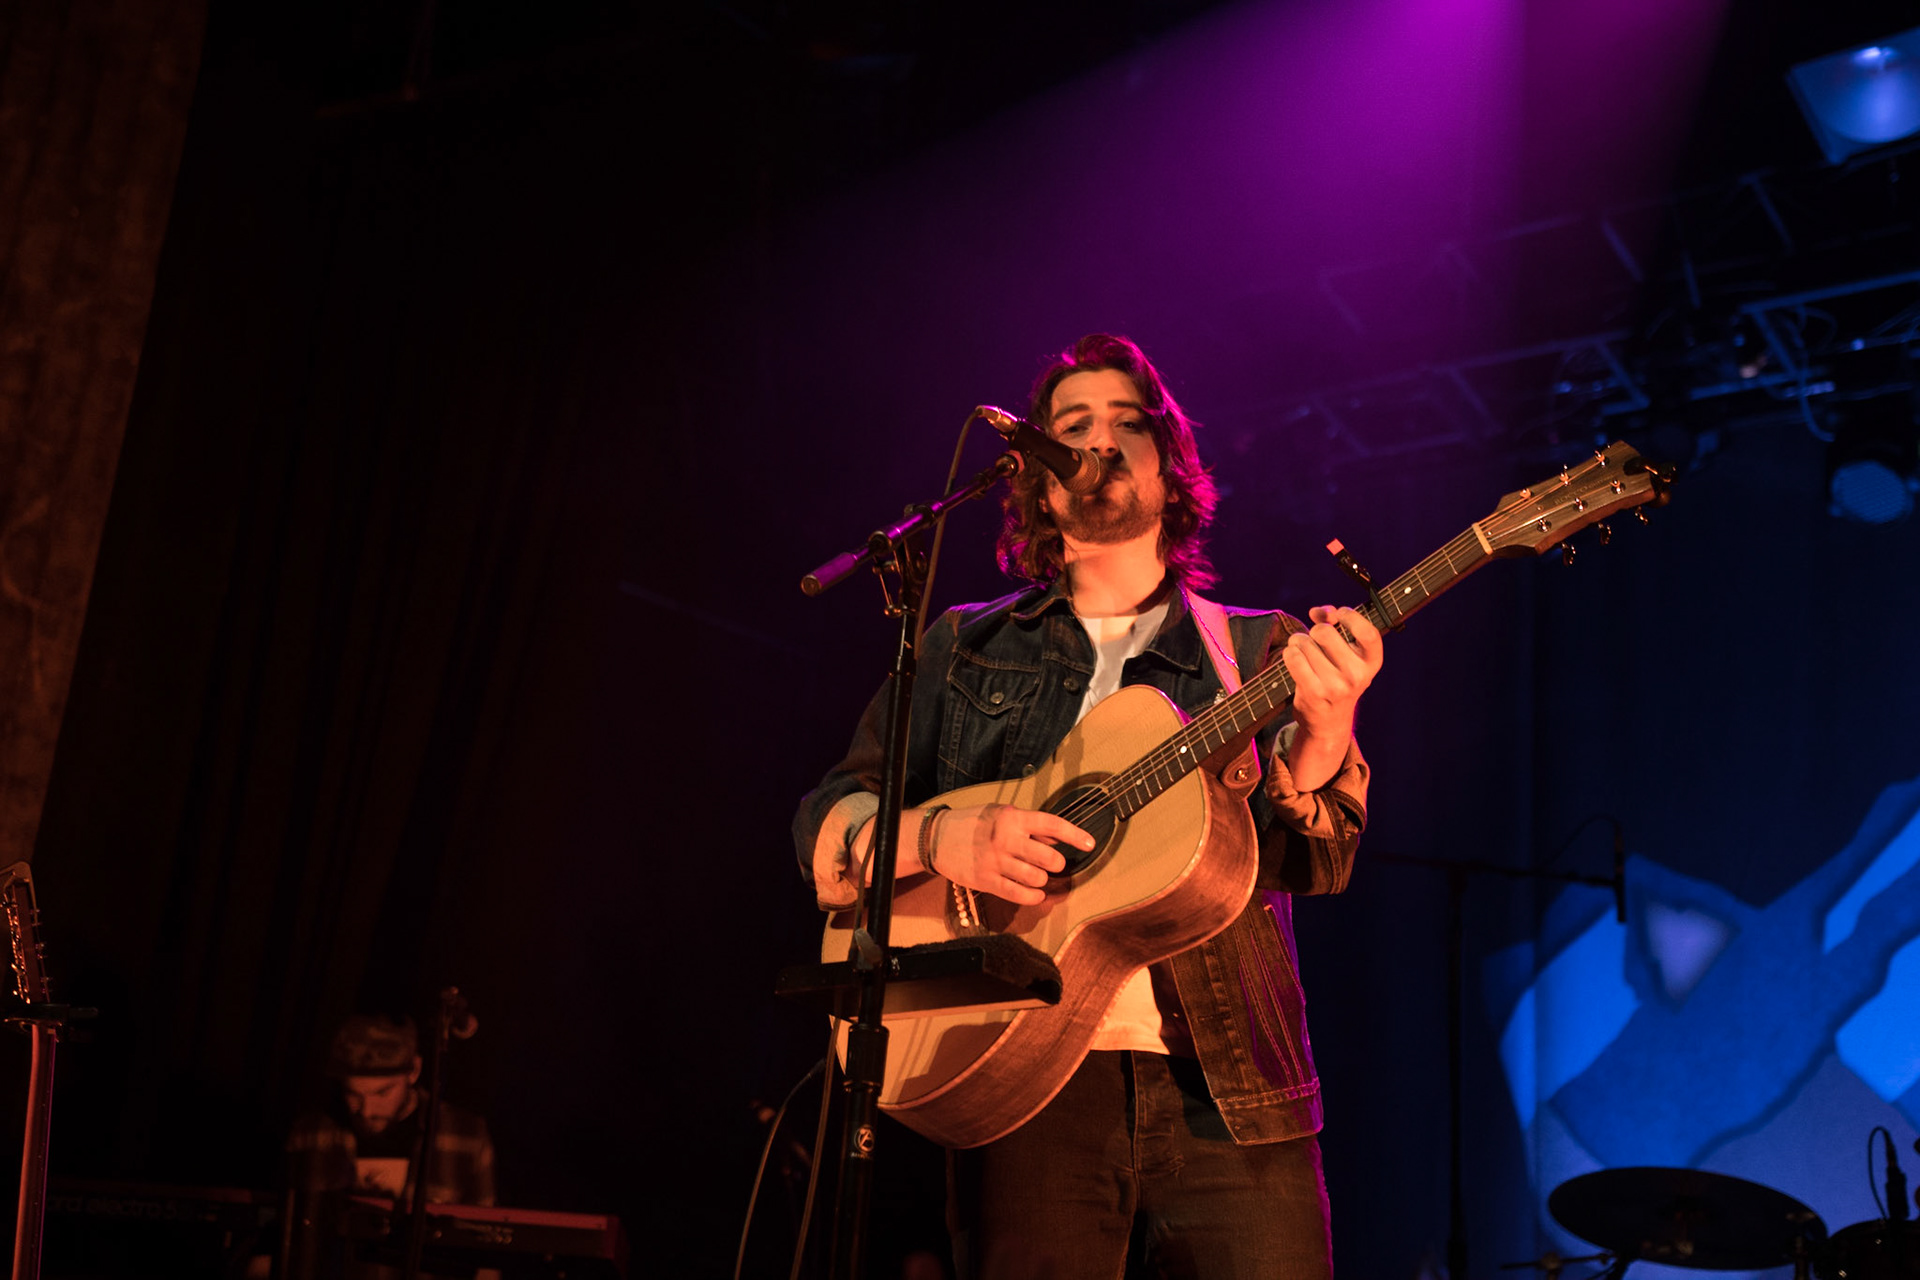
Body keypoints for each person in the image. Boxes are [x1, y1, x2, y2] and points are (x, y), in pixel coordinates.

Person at [794, 333, 1383, 1279]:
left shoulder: (1256, 650)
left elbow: (1317, 862)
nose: (1099, 443)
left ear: (1170, 464)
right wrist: (945, 838)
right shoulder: (963, 646)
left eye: (1126, 424)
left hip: (1230, 1091)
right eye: (1072, 428)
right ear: (1033, 476)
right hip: (1020, 1079)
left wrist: (1325, 733)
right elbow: (829, 820)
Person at [281, 1014, 496, 1278]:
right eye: (353, 1094)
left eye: (382, 1092)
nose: (367, 1110)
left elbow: (486, 1247)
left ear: (414, 1071)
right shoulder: (312, 1133)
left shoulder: (466, 1134)